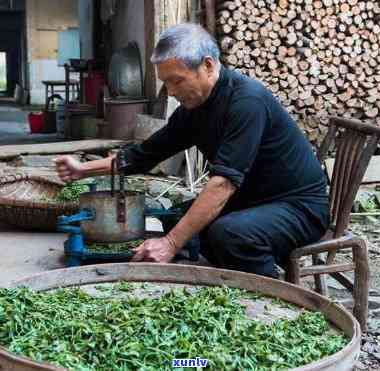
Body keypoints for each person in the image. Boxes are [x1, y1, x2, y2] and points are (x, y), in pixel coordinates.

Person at [55, 23, 329, 278]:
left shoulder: (247, 102)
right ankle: (235, 271)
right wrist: (82, 170)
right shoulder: (195, 107)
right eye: (166, 83)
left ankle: (273, 299)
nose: (171, 92)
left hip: (299, 207)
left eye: (177, 80)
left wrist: (170, 243)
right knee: (180, 216)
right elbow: (145, 154)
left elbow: (222, 185)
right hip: (254, 200)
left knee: (229, 234)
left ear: (208, 66)